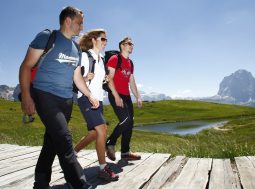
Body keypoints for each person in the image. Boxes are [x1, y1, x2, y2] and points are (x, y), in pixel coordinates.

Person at [19, 6, 98, 189]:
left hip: (66, 100)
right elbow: (26, 66)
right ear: (68, 21)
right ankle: (80, 184)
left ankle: (40, 182)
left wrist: (89, 94)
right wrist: (26, 97)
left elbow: (77, 77)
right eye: (79, 23)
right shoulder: (47, 37)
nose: (82, 27)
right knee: (64, 140)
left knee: (52, 142)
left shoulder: (76, 49)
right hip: (45, 95)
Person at [74, 29, 119, 181]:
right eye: (103, 39)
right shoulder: (86, 56)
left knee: (94, 133)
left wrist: (104, 80)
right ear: (94, 40)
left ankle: (72, 154)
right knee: (102, 129)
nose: (105, 42)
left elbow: (101, 80)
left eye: (106, 40)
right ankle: (103, 168)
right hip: (86, 98)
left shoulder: (101, 60)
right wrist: (85, 78)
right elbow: (76, 77)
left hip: (98, 100)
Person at [105, 37, 143, 161]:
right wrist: (116, 96)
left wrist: (137, 97)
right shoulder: (115, 59)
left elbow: (131, 81)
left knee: (130, 122)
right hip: (115, 93)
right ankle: (110, 142)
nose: (132, 46)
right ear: (122, 45)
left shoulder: (130, 63)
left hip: (126, 96)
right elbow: (109, 78)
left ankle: (125, 153)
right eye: (129, 44)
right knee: (125, 119)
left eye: (133, 44)